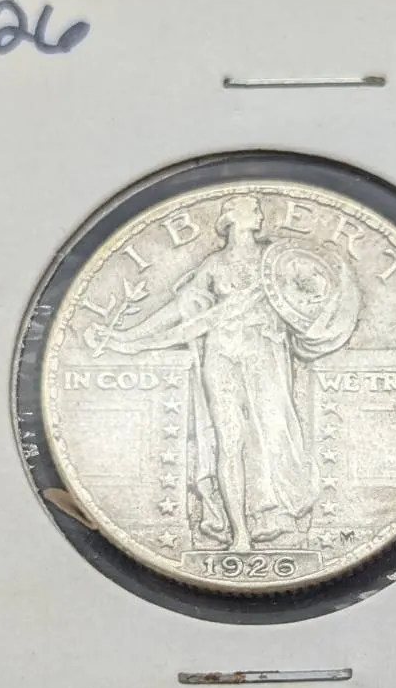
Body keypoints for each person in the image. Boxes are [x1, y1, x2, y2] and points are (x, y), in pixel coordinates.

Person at [105, 195, 357, 552]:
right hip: (221, 356)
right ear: (231, 218)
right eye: (251, 208)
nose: (259, 213)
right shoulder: (214, 265)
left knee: (272, 435)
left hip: (266, 356)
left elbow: (318, 293)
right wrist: (129, 338)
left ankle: (269, 516)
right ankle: (240, 534)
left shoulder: (277, 260)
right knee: (228, 443)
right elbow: (180, 311)